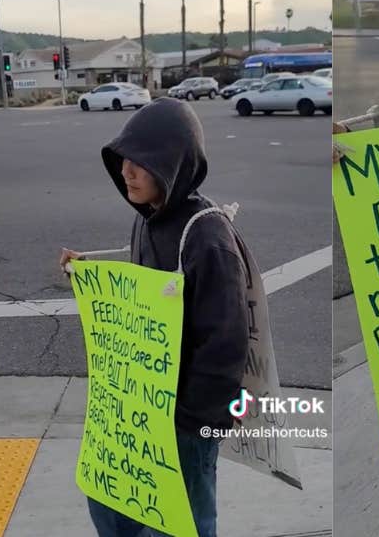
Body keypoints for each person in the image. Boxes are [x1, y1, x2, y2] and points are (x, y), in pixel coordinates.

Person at [60, 97, 250, 537]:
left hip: (185, 417)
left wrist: (189, 420)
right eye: (124, 159)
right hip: (141, 406)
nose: (126, 170)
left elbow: (226, 343)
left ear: (172, 163)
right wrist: (89, 276)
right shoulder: (149, 220)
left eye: (141, 162)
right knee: (110, 504)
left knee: (181, 522)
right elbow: (144, 295)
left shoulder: (207, 234)